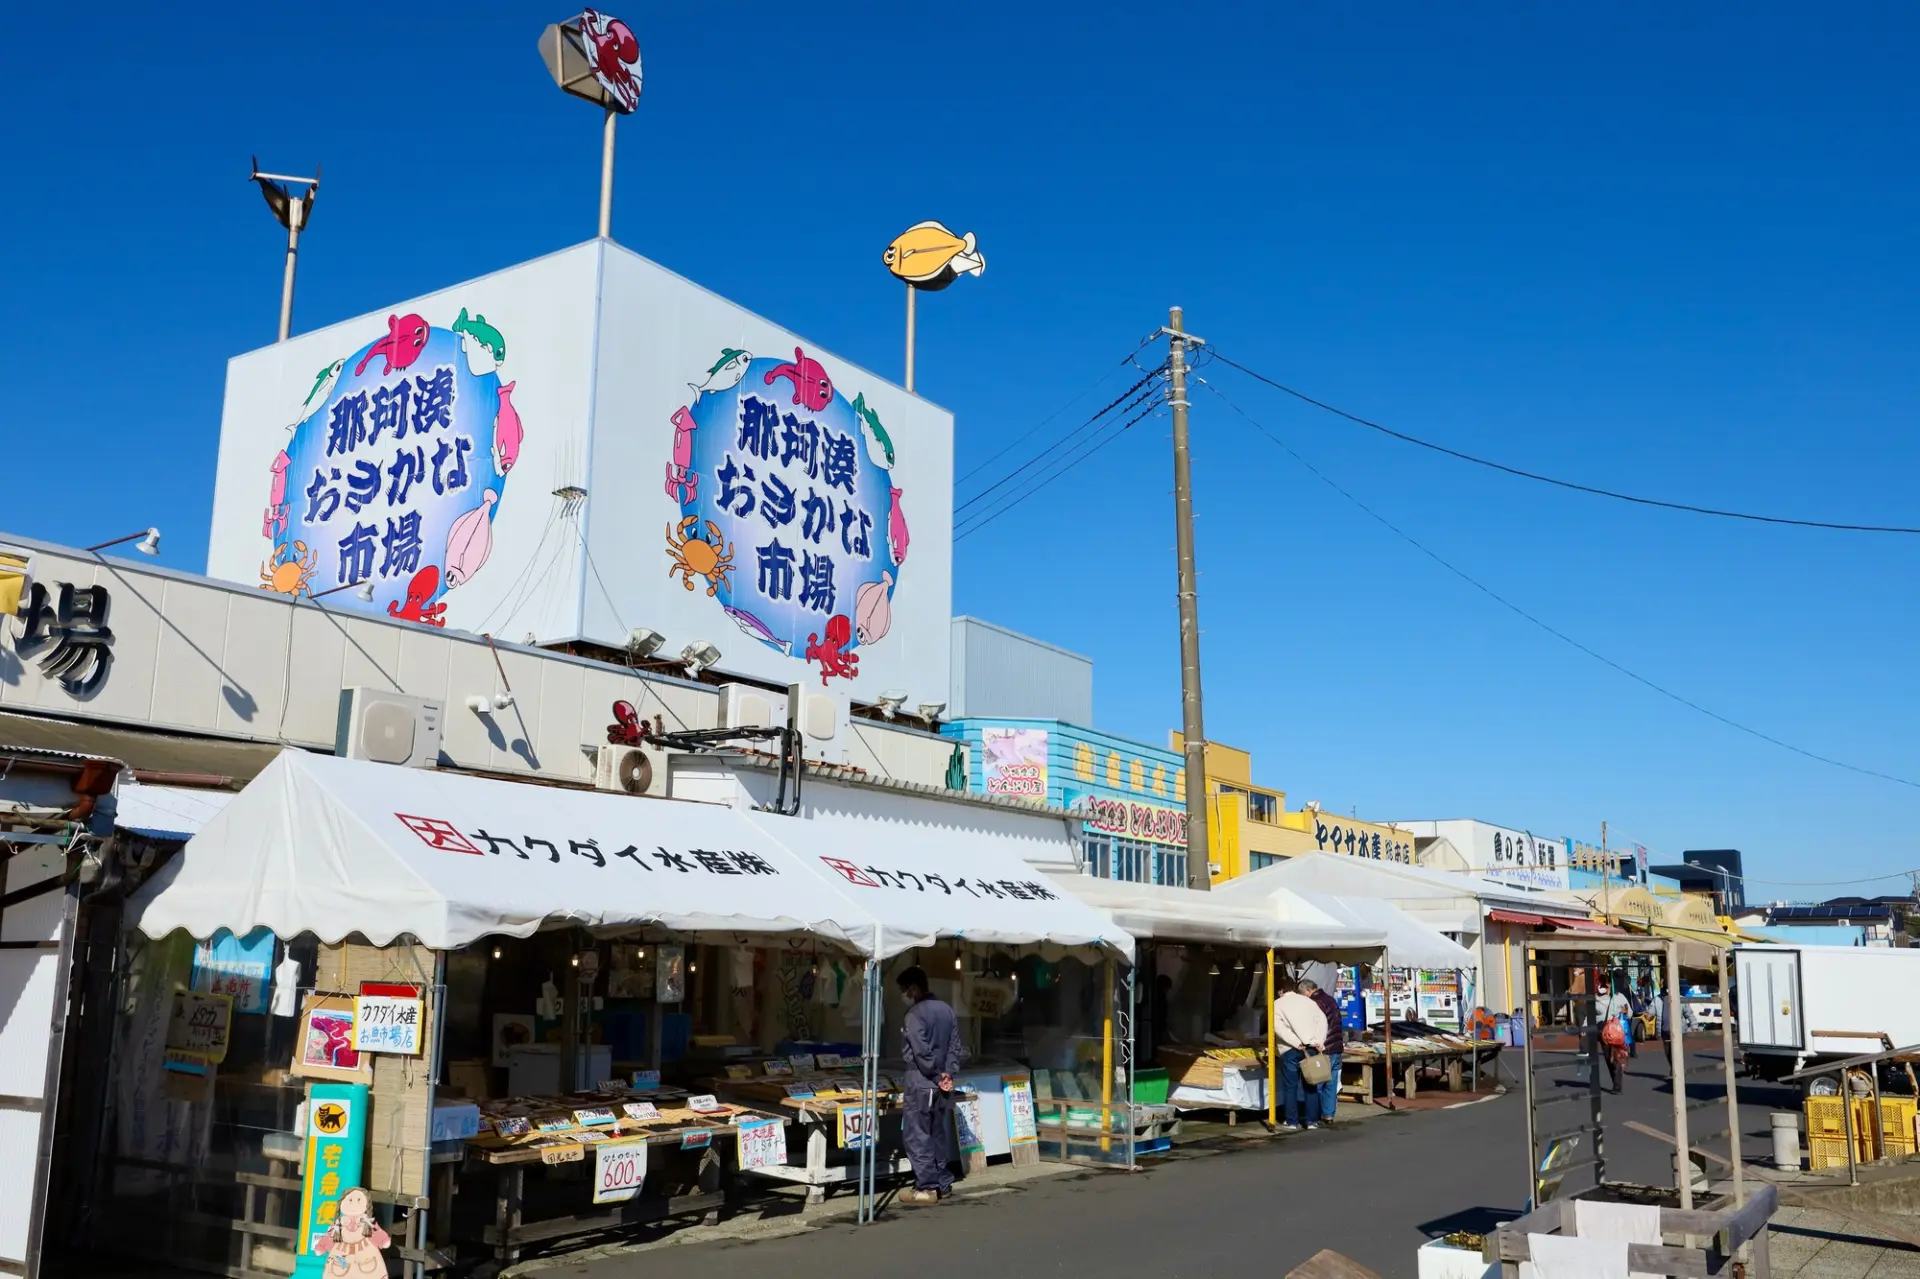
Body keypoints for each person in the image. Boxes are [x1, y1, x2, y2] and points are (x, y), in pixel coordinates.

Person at [896, 965, 961, 1205]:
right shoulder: (947, 1010)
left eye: (904, 990)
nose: (903, 995)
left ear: (913, 989)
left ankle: (926, 1187)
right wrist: (948, 1075)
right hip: (942, 1083)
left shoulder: (914, 1014)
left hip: (921, 1082)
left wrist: (935, 1075)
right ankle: (943, 1183)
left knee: (917, 1135)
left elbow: (921, 1052)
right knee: (937, 1133)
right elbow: (955, 1047)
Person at [1272, 978, 1329, 1131]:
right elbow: (1322, 1021)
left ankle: (1292, 1122)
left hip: (1290, 1049)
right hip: (1311, 1047)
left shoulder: (1277, 1004)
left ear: (1280, 991)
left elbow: (1279, 1028)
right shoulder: (1308, 1002)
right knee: (1311, 1084)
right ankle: (1311, 1121)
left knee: (1290, 1087)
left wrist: (1296, 1042)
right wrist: (1319, 1041)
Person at [1301, 978, 1346, 1124]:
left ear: (1308, 991)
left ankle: (1317, 1113)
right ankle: (1328, 1115)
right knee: (1331, 1083)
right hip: (1337, 1046)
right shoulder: (1330, 999)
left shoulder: (1315, 1003)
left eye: (1303, 994)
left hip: (1324, 1047)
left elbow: (1315, 1025)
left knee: (1318, 1082)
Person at [1598, 981, 1631, 1093]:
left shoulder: (1619, 997)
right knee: (1608, 1059)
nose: (1605, 986)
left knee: (1616, 1058)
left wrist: (1625, 1012)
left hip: (1616, 1031)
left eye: (1607, 984)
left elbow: (1629, 1012)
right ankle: (1615, 1081)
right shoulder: (1598, 998)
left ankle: (1617, 1086)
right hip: (1604, 1032)